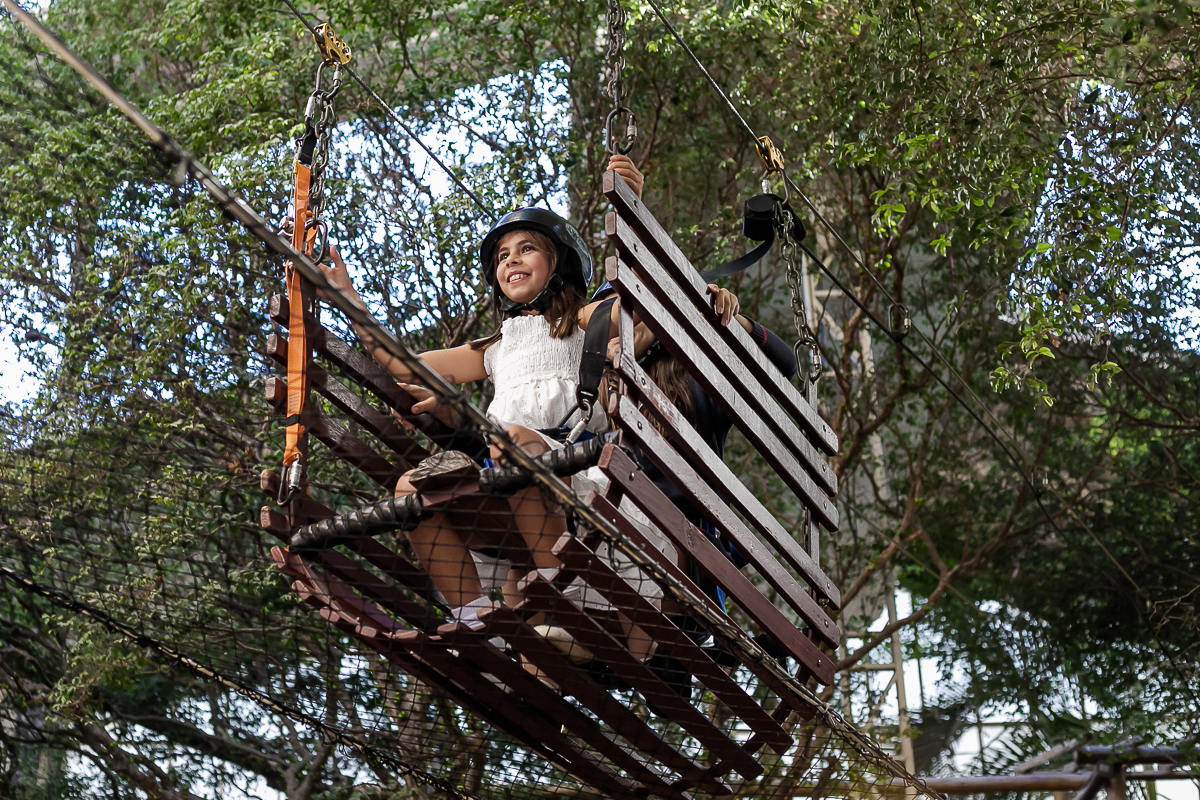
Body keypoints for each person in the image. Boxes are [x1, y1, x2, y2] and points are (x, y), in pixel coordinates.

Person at [318, 155, 649, 642]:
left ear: (560, 267)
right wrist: (347, 298)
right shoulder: (494, 348)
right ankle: (477, 622)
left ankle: (571, 598)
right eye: (502, 256)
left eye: (527, 249)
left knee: (511, 442)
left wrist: (633, 210)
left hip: (571, 465)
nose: (511, 260)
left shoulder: (582, 318)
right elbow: (403, 364)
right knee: (412, 488)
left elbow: (637, 301)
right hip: (504, 475)